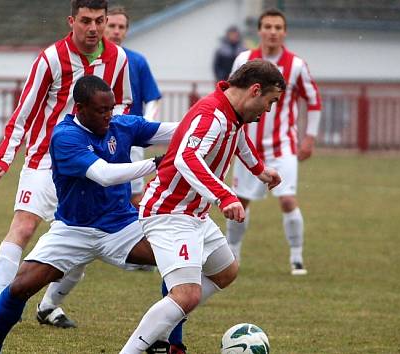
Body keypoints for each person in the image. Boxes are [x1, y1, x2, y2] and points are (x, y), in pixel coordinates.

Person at [0, 75, 177, 354]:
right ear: (79, 108)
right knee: (19, 288)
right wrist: (156, 163)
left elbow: (177, 130)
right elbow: (103, 174)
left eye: (111, 108)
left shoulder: (122, 125)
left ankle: (164, 341)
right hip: (73, 230)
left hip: (121, 226)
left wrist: (213, 122)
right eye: (101, 110)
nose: (109, 116)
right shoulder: (65, 136)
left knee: (178, 264)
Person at [0, 0, 132, 331]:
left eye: (99, 21)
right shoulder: (51, 59)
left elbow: (122, 104)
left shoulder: (118, 59)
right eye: (86, 21)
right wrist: (4, 157)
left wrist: (112, 141)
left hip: (87, 165)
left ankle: (49, 306)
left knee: (81, 241)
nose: (93, 28)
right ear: (72, 21)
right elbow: (25, 111)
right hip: (45, 160)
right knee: (23, 227)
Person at [120, 59, 285, 354]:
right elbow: (187, 158)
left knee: (226, 271)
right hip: (169, 212)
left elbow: (238, 139)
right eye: (270, 102)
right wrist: (226, 196)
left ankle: (162, 331)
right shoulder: (212, 115)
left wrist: (260, 170)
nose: (268, 110)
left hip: (194, 214)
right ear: (255, 90)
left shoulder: (232, 115)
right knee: (187, 294)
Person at [227, 8, 322, 275]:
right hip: (248, 145)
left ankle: (296, 258)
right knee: (239, 201)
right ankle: (232, 253)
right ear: (259, 31)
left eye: (278, 27)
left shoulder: (297, 65)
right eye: (267, 27)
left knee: (288, 200)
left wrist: (310, 137)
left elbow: (314, 101)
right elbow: (229, 94)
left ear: (285, 32)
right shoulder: (244, 60)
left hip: (283, 145)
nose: (272, 32)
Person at [104, 5, 162, 208]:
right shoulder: (92, 59)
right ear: (102, 25)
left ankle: (138, 237)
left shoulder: (137, 61)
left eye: (121, 26)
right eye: (112, 25)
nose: (116, 31)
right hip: (96, 136)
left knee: (134, 195)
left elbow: (152, 97)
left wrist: (146, 126)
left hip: (129, 137)